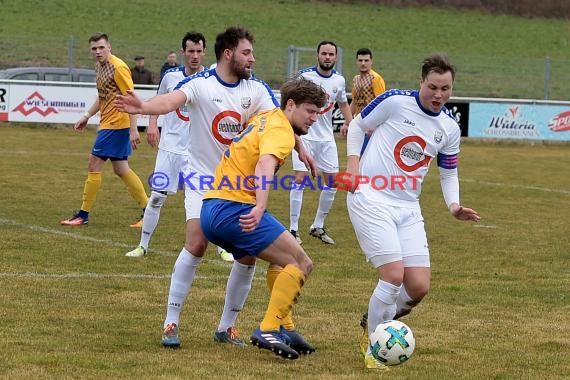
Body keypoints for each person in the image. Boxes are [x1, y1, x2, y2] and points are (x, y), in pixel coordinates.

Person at [115, 26, 317, 350]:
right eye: (247, 52)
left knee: (248, 254)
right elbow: (170, 100)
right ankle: (171, 320)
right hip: (201, 179)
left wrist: (301, 148)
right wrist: (143, 108)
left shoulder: (257, 90)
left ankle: (227, 327)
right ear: (228, 54)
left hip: (238, 184)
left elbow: (279, 122)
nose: (253, 58)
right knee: (196, 244)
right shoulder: (201, 85)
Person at [343, 53, 481, 370]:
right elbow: (356, 127)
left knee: (417, 286)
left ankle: (378, 319)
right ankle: (375, 347)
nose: (439, 95)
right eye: (433, 87)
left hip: (408, 206)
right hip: (370, 195)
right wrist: (352, 166)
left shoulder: (448, 127)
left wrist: (454, 205)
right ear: (421, 82)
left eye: (446, 89)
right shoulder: (394, 102)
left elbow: (448, 172)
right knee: (393, 275)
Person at [200, 76, 327, 360]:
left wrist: (301, 148)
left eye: (318, 112)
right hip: (236, 208)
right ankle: (269, 327)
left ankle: (285, 325)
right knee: (302, 262)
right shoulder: (281, 131)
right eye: (310, 111)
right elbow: (265, 162)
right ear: (291, 105)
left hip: (211, 209)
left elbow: (284, 132)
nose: (315, 118)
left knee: (282, 259)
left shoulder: (269, 116)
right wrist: (259, 207)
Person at [125, 32, 206, 258]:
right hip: (170, 148)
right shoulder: (170, 76)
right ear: (183, 53)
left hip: (197, 152)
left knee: (207, 199)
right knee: (158, 196)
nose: (195, 56)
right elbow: (158, 100)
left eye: (199, 51)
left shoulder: (210, 78)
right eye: (191, 51)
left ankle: (223, 249)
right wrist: (152, 125)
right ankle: (143, 246)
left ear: (204, 52)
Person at [60, 32, 148, 227]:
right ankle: (148, 210)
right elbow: (103, 97)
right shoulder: (99, 66)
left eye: (101, 47)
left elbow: (131, 99)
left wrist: (134, 129)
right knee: (121, 169)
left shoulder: (118, 67)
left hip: (117, 124)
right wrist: (86, 116)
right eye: (94, 48)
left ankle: (82, 215)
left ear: (109, 47)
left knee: (93, 164)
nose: (98, 51)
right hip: (109, 123)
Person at [289, 40, 352, 245]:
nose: (327, 57)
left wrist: (350, 123)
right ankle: (293, 229)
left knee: (332, 182)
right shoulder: (305, 77)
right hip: (304, 136)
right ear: (317, 55)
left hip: (327, 139)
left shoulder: (339, 81)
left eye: (331, 54)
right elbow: (290, 101)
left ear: (335, 57)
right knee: (300, 179)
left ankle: (317, 225)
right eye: (324, 53)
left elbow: (343, 102)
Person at [350, 48, 386, 155]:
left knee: (366, 156)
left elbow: (382, 103)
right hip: (359, 123)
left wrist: (374, 125)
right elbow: (354, 101)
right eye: (360, 60)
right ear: (356, 62)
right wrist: (347, 122)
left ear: (371, 62)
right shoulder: (356, 79)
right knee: (356, 155)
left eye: (366, 60)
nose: (363, 63)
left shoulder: (375, 78)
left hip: (371, 125)